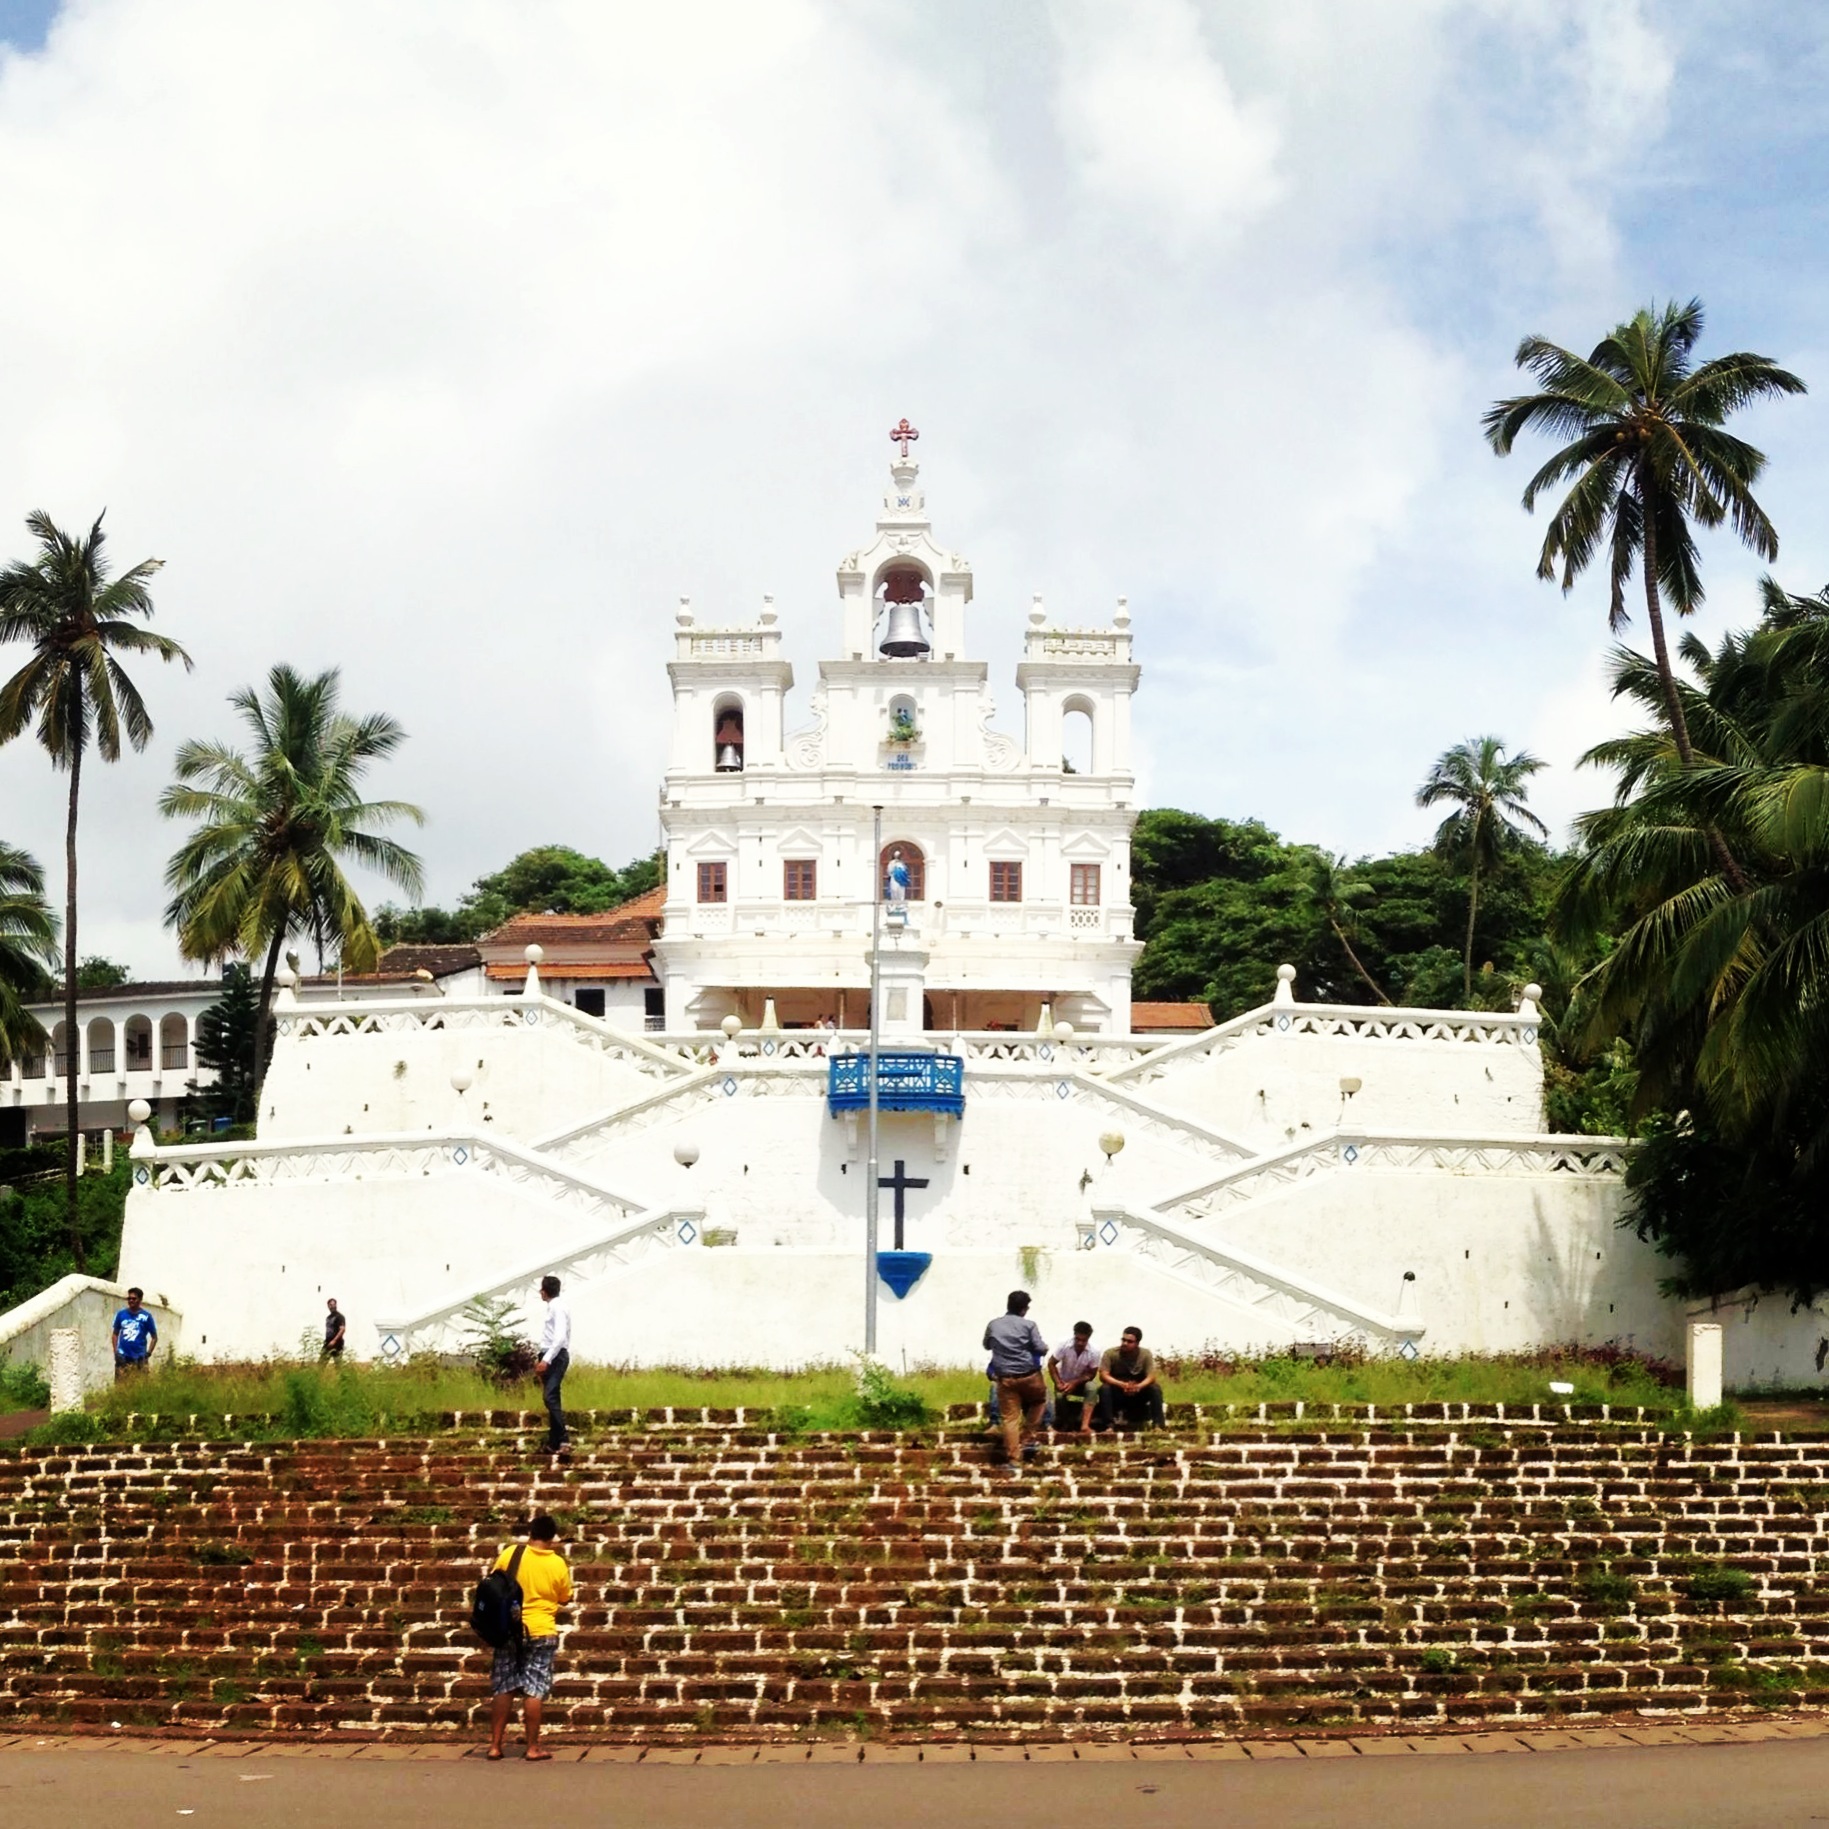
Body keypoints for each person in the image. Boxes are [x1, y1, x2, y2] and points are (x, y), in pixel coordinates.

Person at [485, 1513, 573, 1761]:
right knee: (534, 1689)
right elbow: (564, 1597)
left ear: (530, 1533)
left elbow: (492, 1582)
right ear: (552, 1537)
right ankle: (533, 1747)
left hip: (509, 1628)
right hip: (542, 1630)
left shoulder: (511, 1554)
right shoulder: (557, 1564)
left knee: (504, 1686)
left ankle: (495, 1746)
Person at [983, 1290, 1048, 1476]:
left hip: (1006, 1378)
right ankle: (1027, 1439)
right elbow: (1040, 1349)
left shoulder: (994, 1325)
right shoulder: (1029, 1325)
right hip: (1029, 1376)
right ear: (1024, 1309)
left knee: (1010, 1419)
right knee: (1039, 1401)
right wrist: (1044, 1347)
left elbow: (986, 1345)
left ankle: (1013, 1460)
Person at [1096, 1325, 1166, 1431]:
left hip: (1138, 1394)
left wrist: (1138, 1386)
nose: (1125, 1343)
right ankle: (1108, 1426)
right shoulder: (1110, 1353)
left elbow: (1151, 1376)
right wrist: (1122, 1385)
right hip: (1118, 1393)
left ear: (1137, 1343)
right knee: (1104, 1389)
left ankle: (1158, 1425)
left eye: (1129, 1341)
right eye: (1123, 1340)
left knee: (1155, 1388)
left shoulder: (1145, 1354)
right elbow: (1103, 1375)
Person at [534, 1274, 571, 1456]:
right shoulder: (553, 1307)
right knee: (553, 1398)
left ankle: (564, 1439)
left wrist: (546, 1359)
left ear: (544, 1291)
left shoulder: (558, 1308)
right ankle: (553, 1441)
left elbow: (559, 1338)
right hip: (550, 1354)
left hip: (555, 1356)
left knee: (549, 1397)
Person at [1048, 1321, 1100, 1434]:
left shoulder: (1094, 1351)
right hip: (1063, 1381)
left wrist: (1075, 1383)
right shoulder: (1063, 1345)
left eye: (1084, 1340)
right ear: (1074, 1335)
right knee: (1060, 1395)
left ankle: (1085, 1425)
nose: (1080, 1343)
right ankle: (1063, 1424)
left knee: (1092, 1387)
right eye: (1078, 1339)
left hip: (1081, 1383)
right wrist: (1058, 1382)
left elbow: (1092, 1374)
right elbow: (1051, 1363)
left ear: (1088, 1338)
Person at [111, 1288, 157, 1379]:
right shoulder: (121, 1314)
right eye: (129, 1298)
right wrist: (116, 1352)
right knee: (121, 1387)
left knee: (140, 1386)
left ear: (140, 1300)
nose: (131, 1300)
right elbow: (115, 1334)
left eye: (134, 1298)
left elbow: (154, 1337)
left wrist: (148, 1353)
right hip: (123, 1357)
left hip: (140, 1358)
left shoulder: (146, 1316)